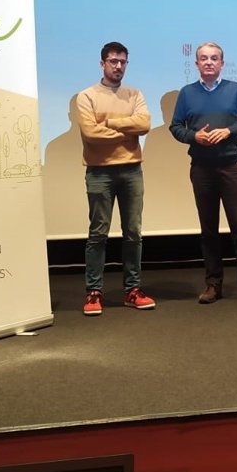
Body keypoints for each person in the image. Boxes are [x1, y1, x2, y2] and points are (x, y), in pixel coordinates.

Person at [170, 41, 237, 305]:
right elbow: (175, 127)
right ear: (197, 64)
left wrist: (228, 131)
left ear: (222, 63)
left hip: (230, 167)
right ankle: (213, 285)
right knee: (208, 230)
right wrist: (194, 137)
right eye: (204, 58)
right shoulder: (187, 93)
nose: (209, 62)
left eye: (214, 58)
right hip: (201, 169)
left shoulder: (236, 90)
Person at [75, 41, 154, 316]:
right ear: (102, 64)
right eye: (113, 61)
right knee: (98, 233)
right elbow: (91, 134)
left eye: (123, 62)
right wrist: (127, 132)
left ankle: (132, 290)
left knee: (133, 232)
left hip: (132, 170)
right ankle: (93, 292)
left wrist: (109, 123)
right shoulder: (87, 96)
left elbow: (144, 124)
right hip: (99, 172)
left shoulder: (134, 94)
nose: (118, 66)